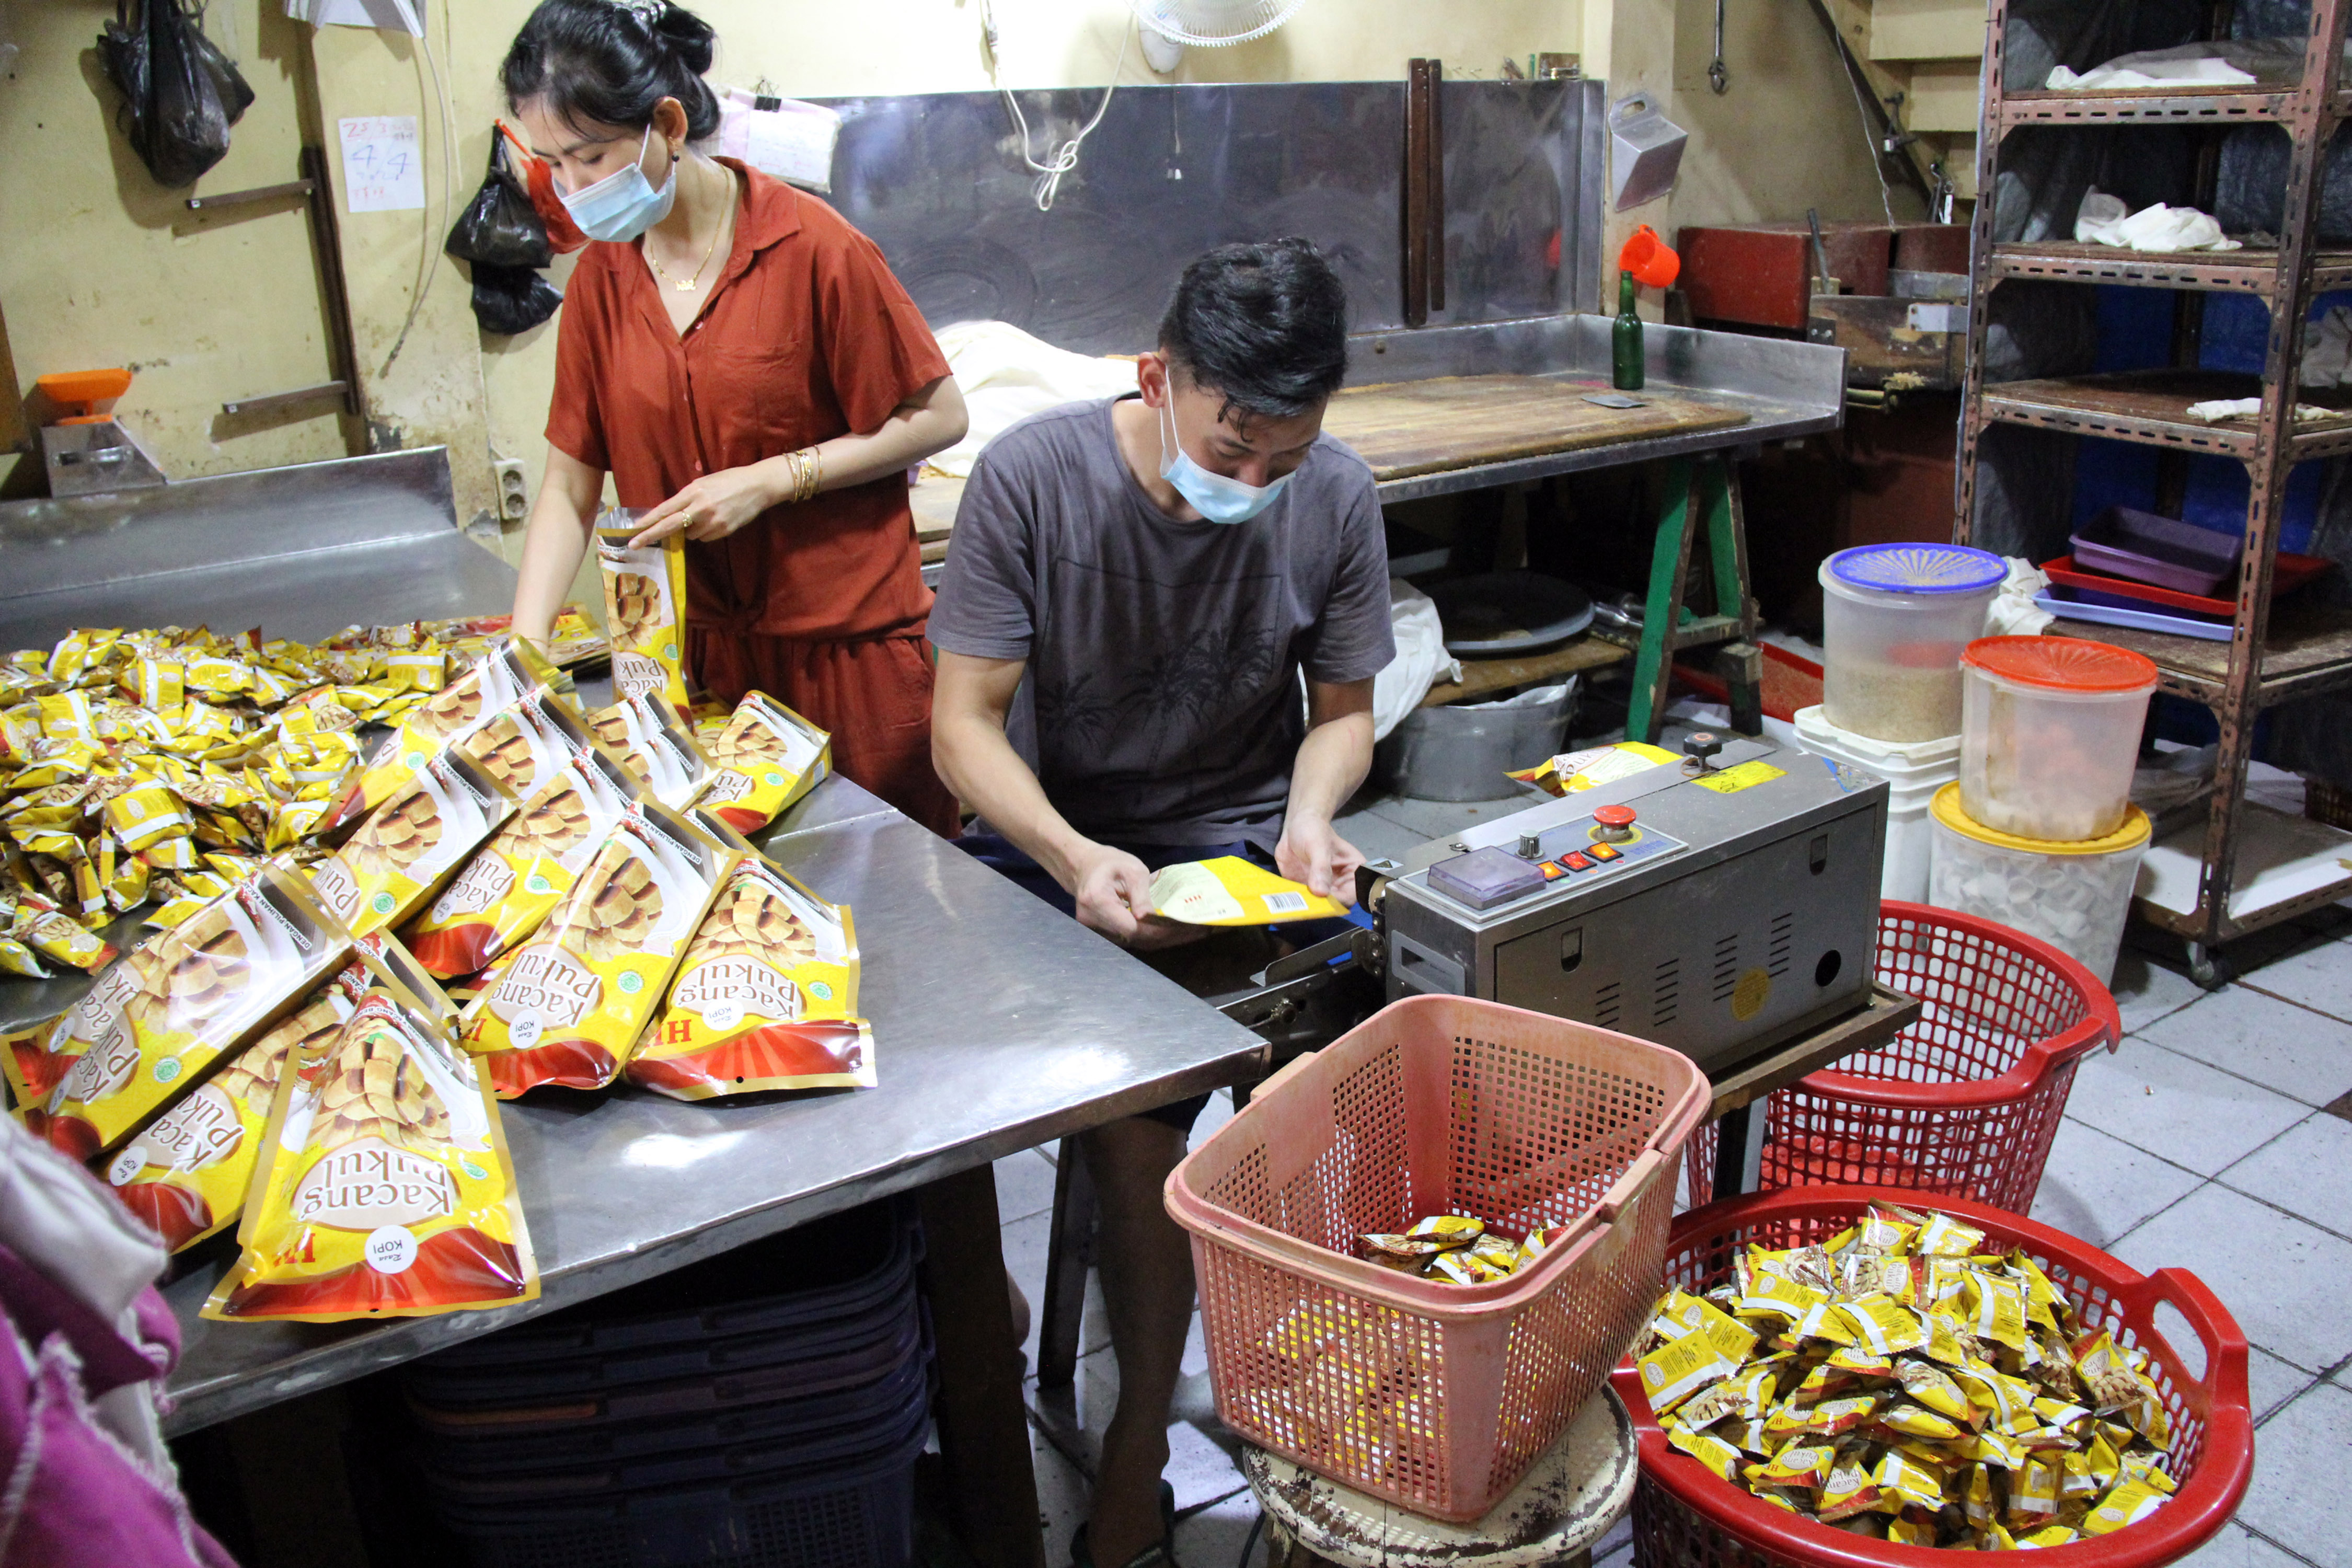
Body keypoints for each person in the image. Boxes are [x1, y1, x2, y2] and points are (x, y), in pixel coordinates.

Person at [928, 239, 1393, 1568]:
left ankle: (1333, 1382)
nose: (1251, 487)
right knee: (1144, 1115)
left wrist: (1310, 818)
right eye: (1230, 447)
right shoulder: (1036, 480)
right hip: (1058, 852)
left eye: (1283, 460)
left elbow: (1344, 716)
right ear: (1157, 379)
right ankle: (1138, 1432)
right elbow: (962, 730)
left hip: (1243, 850)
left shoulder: (1336, 495)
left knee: (1363, 1070)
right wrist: (1074, 855)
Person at [500, 0, 967, 835]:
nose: (574, 190)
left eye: (592, 157)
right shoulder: (603, 280)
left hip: (845, 658)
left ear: (667, 125)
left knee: (890, 891)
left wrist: (776, 480)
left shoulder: (814, 248)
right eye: (553, 165)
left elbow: (939, 416)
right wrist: (522, 661)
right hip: (699, 666)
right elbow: (569, 489)